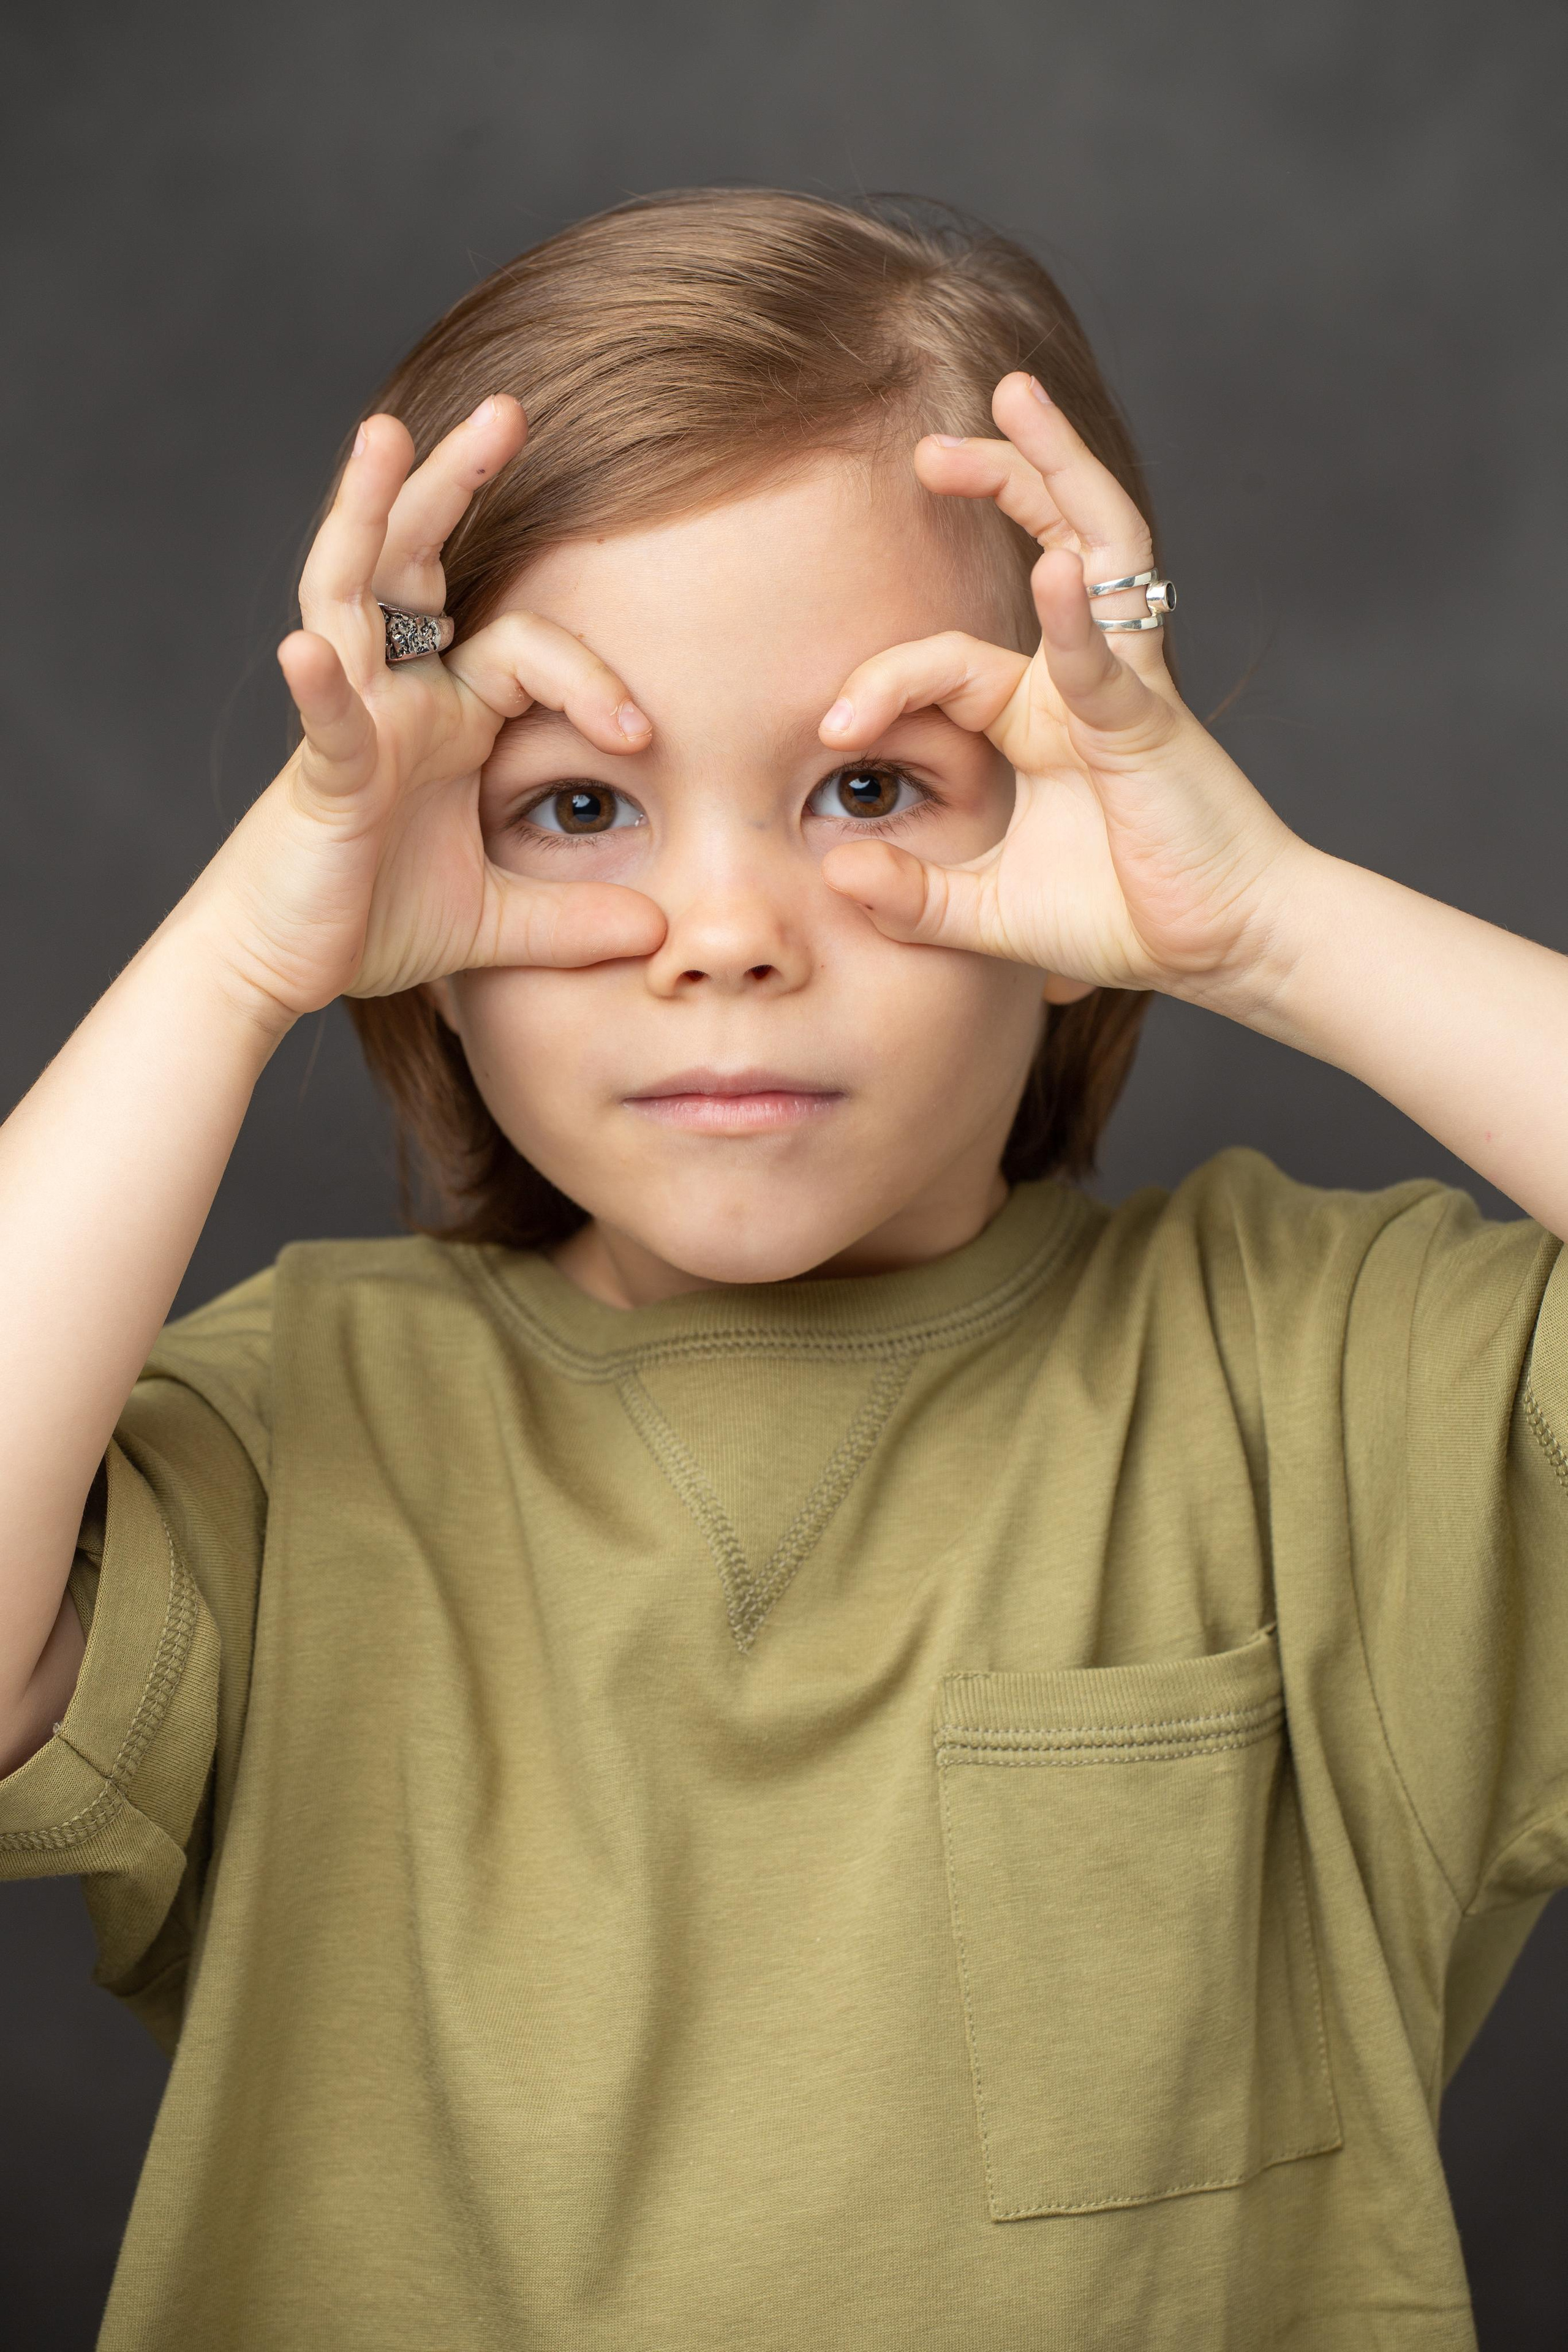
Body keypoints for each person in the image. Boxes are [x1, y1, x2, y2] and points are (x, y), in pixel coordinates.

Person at [1, 186, 1563, 2352]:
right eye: (574, 807)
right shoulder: (289, 1441)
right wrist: (239, 952)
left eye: (862, 783)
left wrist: (1273, 921)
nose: (723, 931)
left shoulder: (1325, 1392)